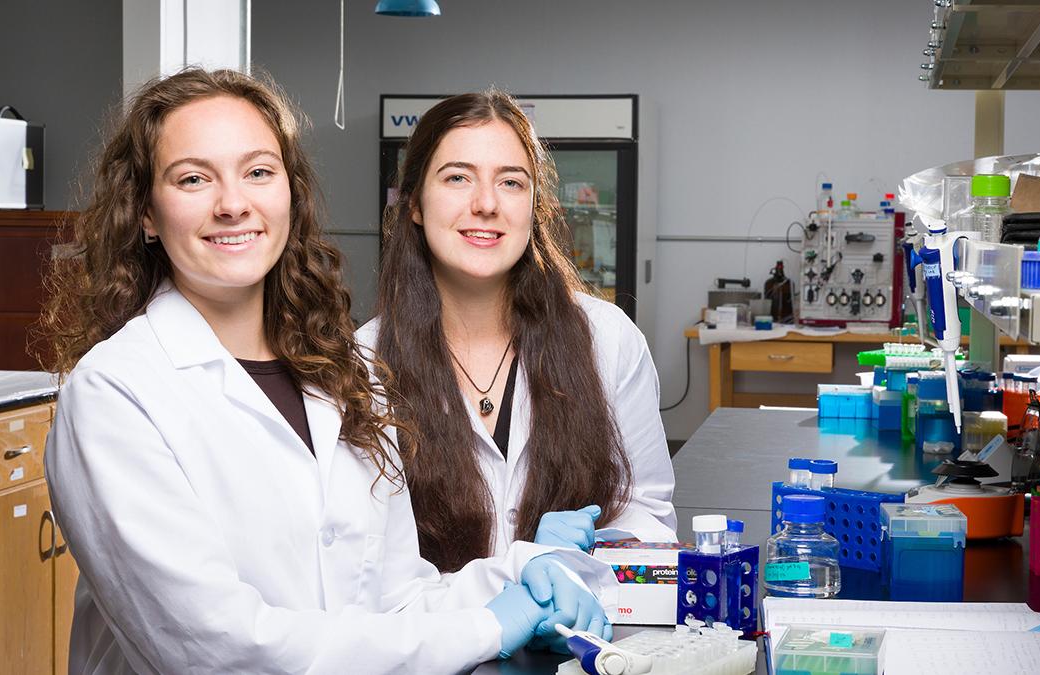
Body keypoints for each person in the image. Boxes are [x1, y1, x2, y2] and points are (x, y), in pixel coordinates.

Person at [40, 69, 613, 674]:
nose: (233, 204)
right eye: (192, 179)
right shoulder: (116, 392)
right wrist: (489, 626)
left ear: (290, 193)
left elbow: (395, 603)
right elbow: (215, 648)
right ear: (146, 213)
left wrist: (517, 575)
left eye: (259, 172)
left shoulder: (345, 373)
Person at [358, 91, 677, 575]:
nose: (486, 203)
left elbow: (647, 518)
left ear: (534, 207)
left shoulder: (608, 340)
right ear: (415, 205)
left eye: (510, 182)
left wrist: (577, 571)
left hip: (583, 642)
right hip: (436, 644)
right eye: (458, 178)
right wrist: (503, 592)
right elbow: (365, 564)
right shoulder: (363, 363)